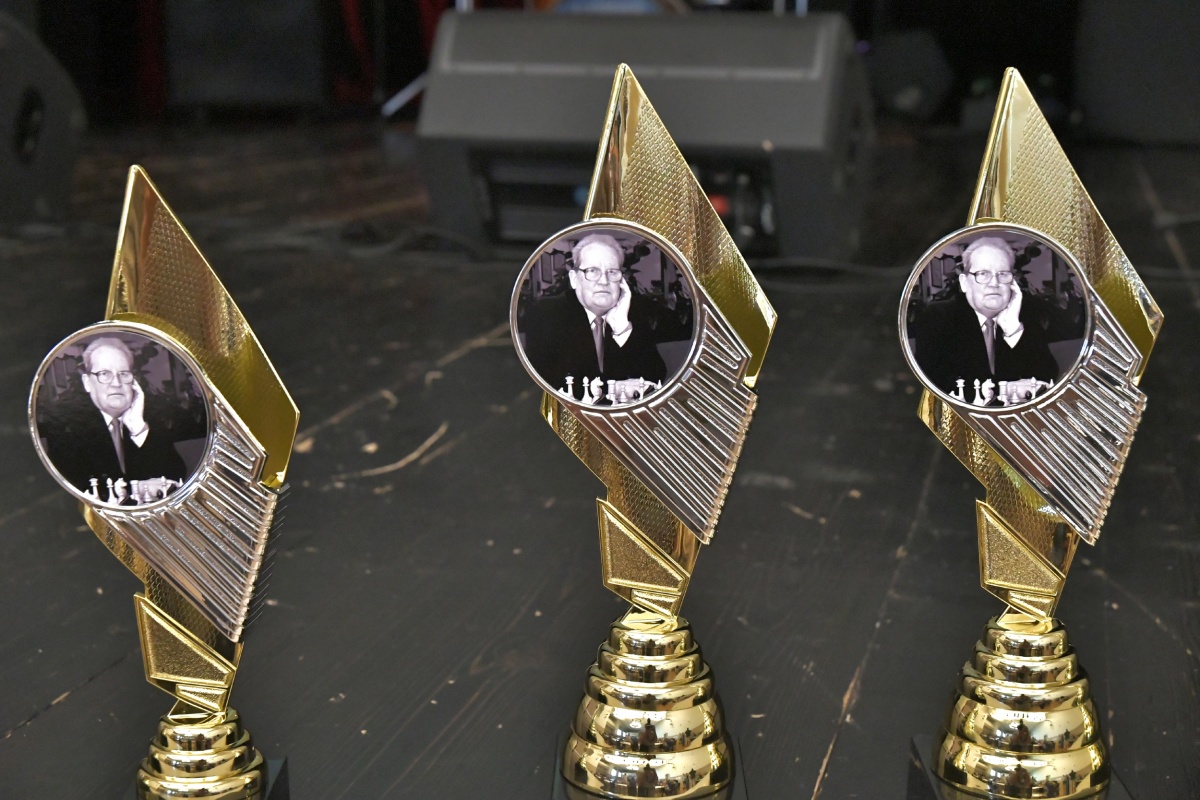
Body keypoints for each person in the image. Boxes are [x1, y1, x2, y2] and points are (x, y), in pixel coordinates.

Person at [38, 337, 189, 502]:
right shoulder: (66, 428)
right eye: (104, 374)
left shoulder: (146, 420)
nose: (116, 383)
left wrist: (139, 429)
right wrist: (137, 488)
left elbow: (177, 477)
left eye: (123, 374)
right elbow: (73, 491)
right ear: (87, 383)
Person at [522, 233, 669, 404]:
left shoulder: (631, 312)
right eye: (592, 271)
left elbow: (656, 378)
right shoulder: (547, 312)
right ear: (574, 279)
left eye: (612, 272)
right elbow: (548, 381)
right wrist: (614, 388)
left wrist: (622, 328)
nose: (604, 281)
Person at [914, 237, 1059, 406]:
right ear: (964, 283)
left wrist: (1013, 330)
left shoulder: (1022, 315)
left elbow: (1047, 377)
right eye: (982, 274)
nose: (994, 283)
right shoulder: (938, 316)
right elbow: (932, 383)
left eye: (1003, 274)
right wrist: (1005, 390)